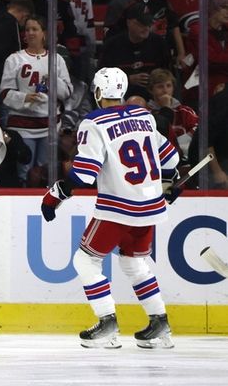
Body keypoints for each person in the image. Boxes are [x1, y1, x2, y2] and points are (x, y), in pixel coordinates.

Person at [41, 67, 179, 349]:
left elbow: (84, 175)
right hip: (150, 206)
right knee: (133, 262)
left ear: (99, 92)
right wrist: (173, 181)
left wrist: (55, 195)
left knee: (85, 260)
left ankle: (107, 322)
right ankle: (160, 322)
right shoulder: (144, 116)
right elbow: (171, 159)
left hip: (118, 207)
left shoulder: (93, 122)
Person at [0, 16, 72, 187]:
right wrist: (24, 97)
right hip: (22, 125)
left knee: (44, 173)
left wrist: (52, 83)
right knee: (24, 171)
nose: (30, 33)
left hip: (49, 125)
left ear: (44, 34)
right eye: (27, 30)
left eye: (35, 29)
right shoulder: (14, 59)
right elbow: (4, 92)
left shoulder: (56, 60)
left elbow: (67, 91)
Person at [99, 2, 172, 99]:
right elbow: (101, 79)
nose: (146, 28)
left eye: (148, 24)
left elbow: (168, 75)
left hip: (153, 99)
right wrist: (127, 80)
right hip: (120, 98)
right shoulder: (112, 45)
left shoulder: (159, 43)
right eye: (141, 24)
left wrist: (155, 79)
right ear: (128, 23)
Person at [146, 68, 198, 159]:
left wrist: (179, 147)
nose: (165, 91)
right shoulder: (146, 113)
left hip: (184, 159)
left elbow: (198, 131)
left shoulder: (185, 111)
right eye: (160, 86)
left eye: (168, 86)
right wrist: (166, 108)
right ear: (151, 90)